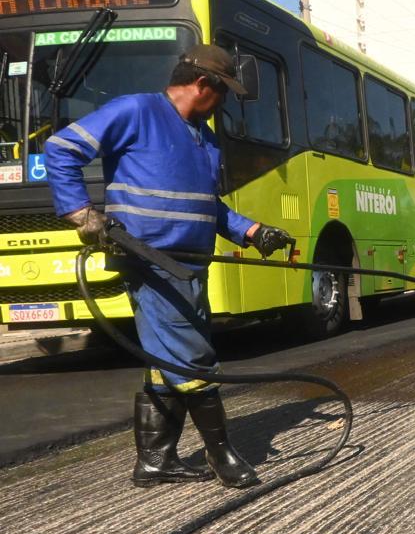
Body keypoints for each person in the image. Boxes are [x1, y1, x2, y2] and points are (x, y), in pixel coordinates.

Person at [44, 45, 293, 489]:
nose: (225, 104)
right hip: (150, 262)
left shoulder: (205, 137)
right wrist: (81, 213)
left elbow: (206, 207)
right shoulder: (137, 111)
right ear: (203, 85)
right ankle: (223, 456)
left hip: (190, 268)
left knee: (166, 362)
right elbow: (61, 148)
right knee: (193, 358)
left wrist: (253, 231)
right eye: (224, 94)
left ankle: (156, 460)